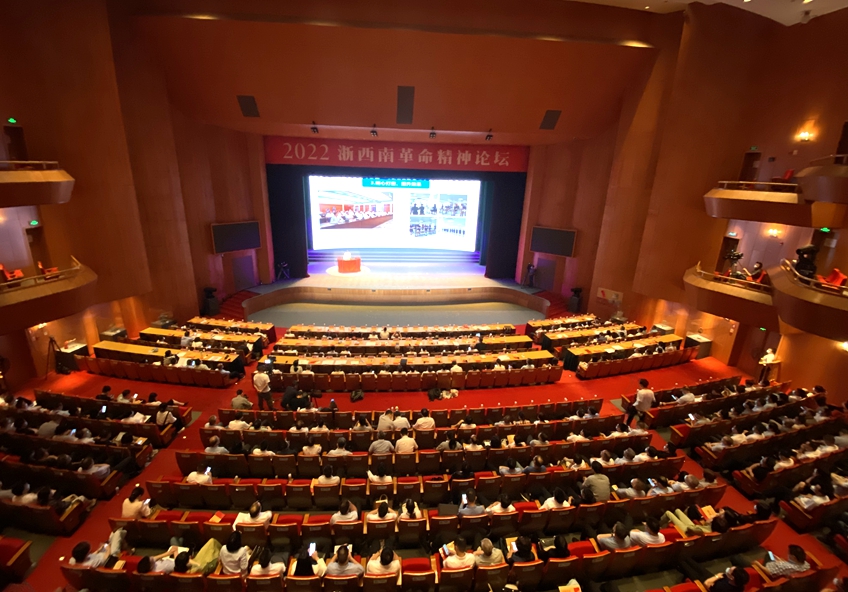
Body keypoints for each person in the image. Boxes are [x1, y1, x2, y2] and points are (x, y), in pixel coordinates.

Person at [677, 560, 750, 592]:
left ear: (732, 577)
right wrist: (717, 577)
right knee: (691, 562)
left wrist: (716, 577)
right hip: (713, 579)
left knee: (684, 565)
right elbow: (723, 575)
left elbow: (706, 583)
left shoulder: (723, 588)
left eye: (730, 570)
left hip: (704, 582)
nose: (728, 569)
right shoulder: (740, 585)